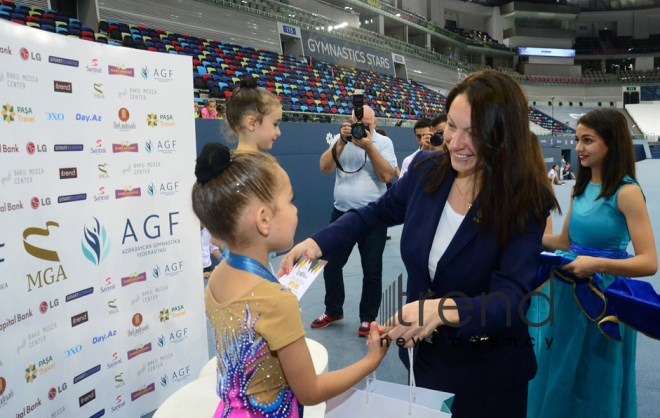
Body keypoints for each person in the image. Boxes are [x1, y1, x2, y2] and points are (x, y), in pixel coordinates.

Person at [279, 70, 559, 417]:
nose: (455, 143)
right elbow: (373, 215)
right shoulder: (428, 169)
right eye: (452, 127)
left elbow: (509, 300)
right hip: (424, 363)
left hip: (487, 378)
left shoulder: (524, 200)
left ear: (504, 137)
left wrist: (439, 311)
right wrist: (317, 244)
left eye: (474, 134)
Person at [192, 143, 390, 418]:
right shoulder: (276, 301)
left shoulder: (219, 275)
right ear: (263, 220)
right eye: (290, 201)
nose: (296, 211)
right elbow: (310, 391)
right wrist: (371, 361)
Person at [528, 109, 658, 418]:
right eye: (577, 140)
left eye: (588, 140)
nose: (578, 148)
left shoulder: (627, 192)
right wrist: (521, 236)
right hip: (567, 293)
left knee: (596, 374)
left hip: (604, 299)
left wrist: (596, 264)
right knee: (559, 367)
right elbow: (564, 243)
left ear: (611, 144)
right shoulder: (579, 188)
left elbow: (649, 262)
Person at [314, 105, 396, 337]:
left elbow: (387, 176)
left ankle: (367, 319)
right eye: (357, 124)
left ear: (375, 125)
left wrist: (368, 146)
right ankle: (333, 310)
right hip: (342, 214)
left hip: (373, 216)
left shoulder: (383, 143)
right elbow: (324, 167)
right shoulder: (342, 140)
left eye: (366, 125)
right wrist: (341, 141)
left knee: (372, 270)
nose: (361, 128)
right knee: (330, 265)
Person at [225, 76, 282, 152]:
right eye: (275, 124)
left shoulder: (231, 160)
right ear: (251, 123)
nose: (279, 133)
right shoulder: (261, 164)